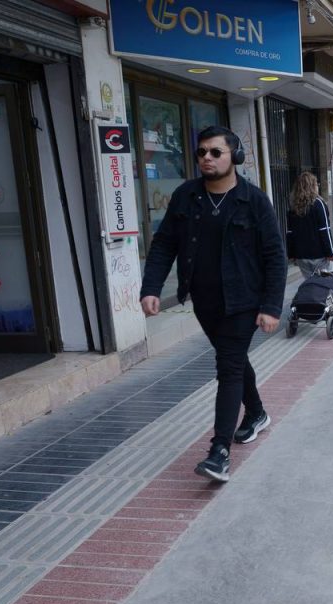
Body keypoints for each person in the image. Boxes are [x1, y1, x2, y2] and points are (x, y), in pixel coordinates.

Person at [140, 125, 286, 483]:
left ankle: (219, 451)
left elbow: (275, 256)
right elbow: (163, 245)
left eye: (215, 152)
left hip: (243, 301)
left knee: (229, 367)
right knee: (233, 359)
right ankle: (256, 413)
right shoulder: (186, 196)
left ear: (234, 157)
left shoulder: (253, 201)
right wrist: (152, 287)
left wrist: (271, 306)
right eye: (201, 152)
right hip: (204, 302)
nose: (206, 157)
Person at [286, 172, 333, 278]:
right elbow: (325, 230)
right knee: (326, 285)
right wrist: (330, 253)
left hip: (301, 256)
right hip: (319, 256)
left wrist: (291, 254)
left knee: (310, 286)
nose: (318, 186)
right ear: (313, 186)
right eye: (316, 184)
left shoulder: (293, 207)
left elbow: (290, 232)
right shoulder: (319, 204)